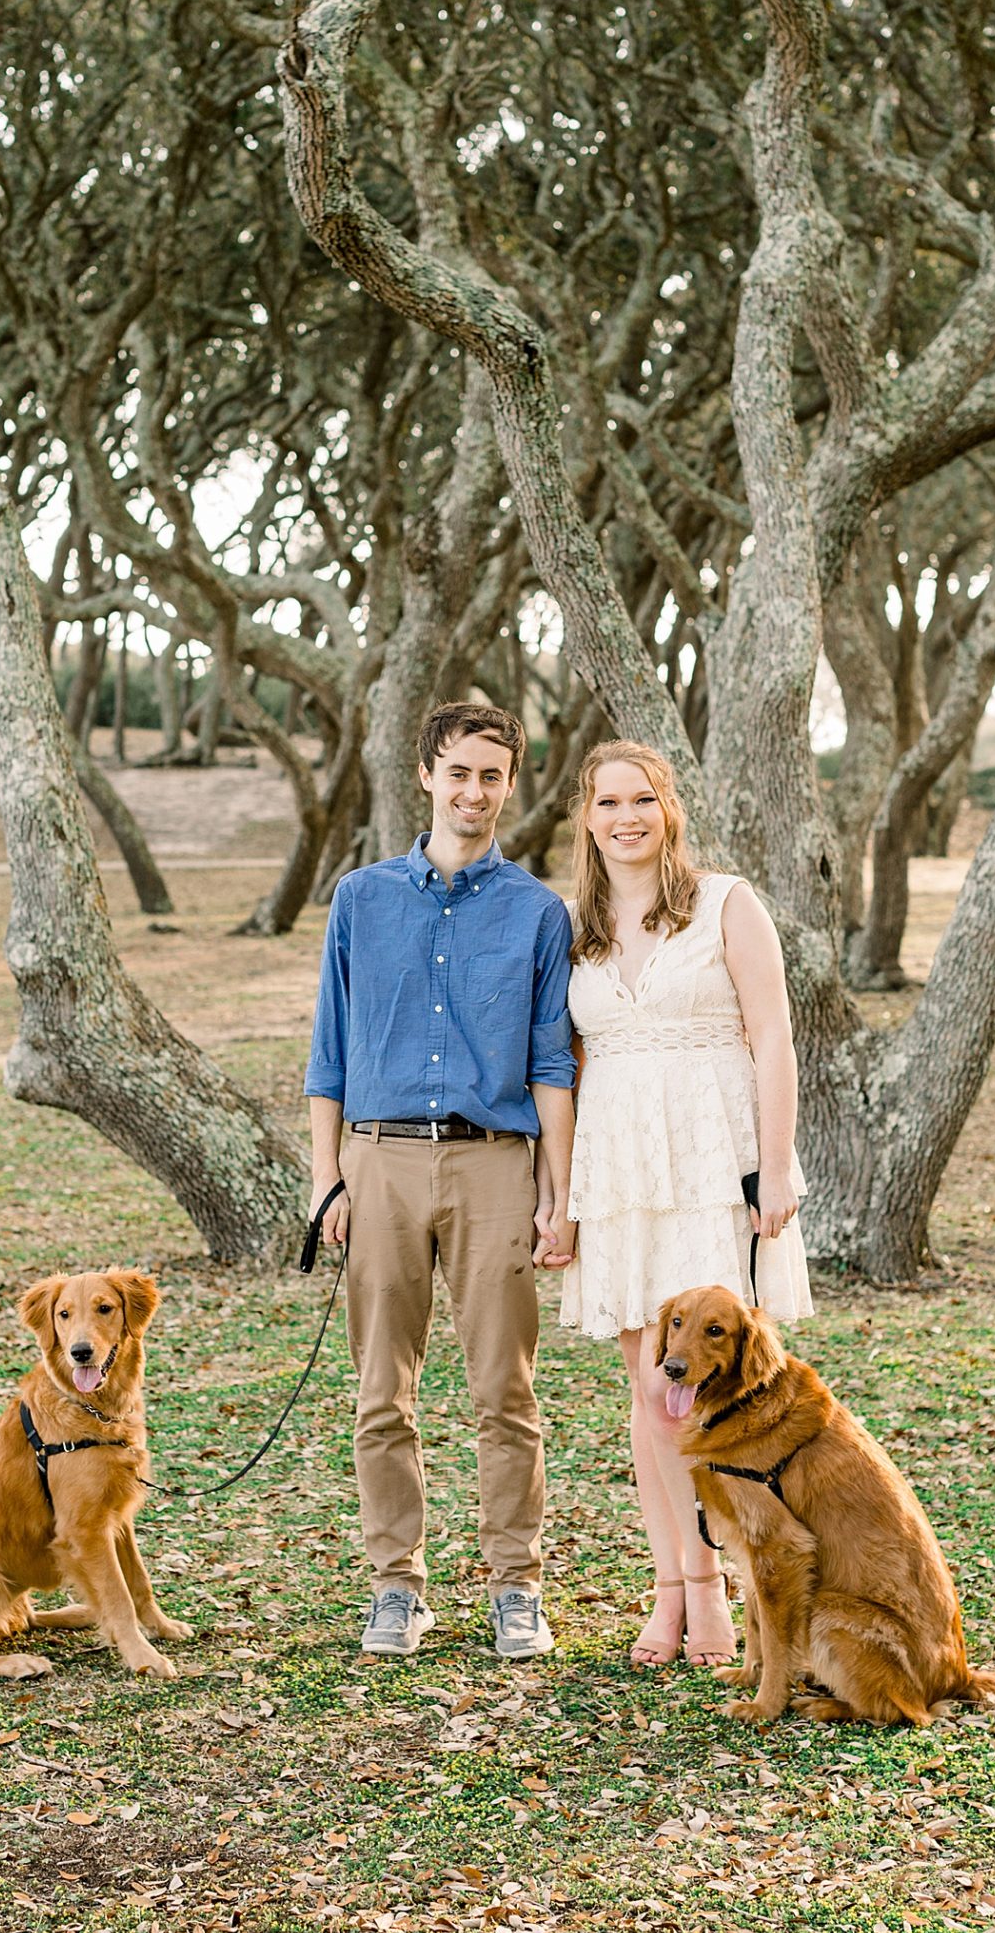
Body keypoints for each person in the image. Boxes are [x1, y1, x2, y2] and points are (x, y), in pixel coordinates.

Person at [304, 701, 577, 1660]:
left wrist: (557, 1189)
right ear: (425, 773)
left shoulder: (539, 913)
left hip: (493, 1164)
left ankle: (516, 1586)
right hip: (376, 1162)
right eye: (457, 772)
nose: (473, 792)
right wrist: (325, 1179)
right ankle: (396, 1586)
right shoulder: (360, 899)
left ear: (511, 786)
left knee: (504, 1392)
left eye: (491, 776)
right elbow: (328, 1049)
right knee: (382, 1392)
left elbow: (552, 1063)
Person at [553, 740, 813, 1668]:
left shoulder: (727, 903)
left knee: (727, 1394)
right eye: (608, 802)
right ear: (585, 817)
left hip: (713, 1161)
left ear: (669, 809)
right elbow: (566, 1067)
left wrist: (775, 1167)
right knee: (651, 1394)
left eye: (643, 800)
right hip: (620, 1173)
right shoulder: (570, 927)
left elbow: (774, 1037)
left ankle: (745, 1589)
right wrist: (562, 1199)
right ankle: (678, 1593)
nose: (626, 817)